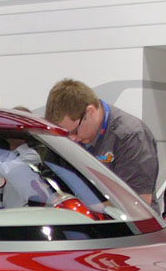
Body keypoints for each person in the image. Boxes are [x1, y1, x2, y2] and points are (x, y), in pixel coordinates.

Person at [43, 78, 158, 206]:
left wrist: (83, 210)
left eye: (74, 131)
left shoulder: (131, 136)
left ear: (90, 112)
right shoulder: (66, 138)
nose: (72, 139)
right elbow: (50, 182)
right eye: (65, 134)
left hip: (123, 218)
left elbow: (137, 203)